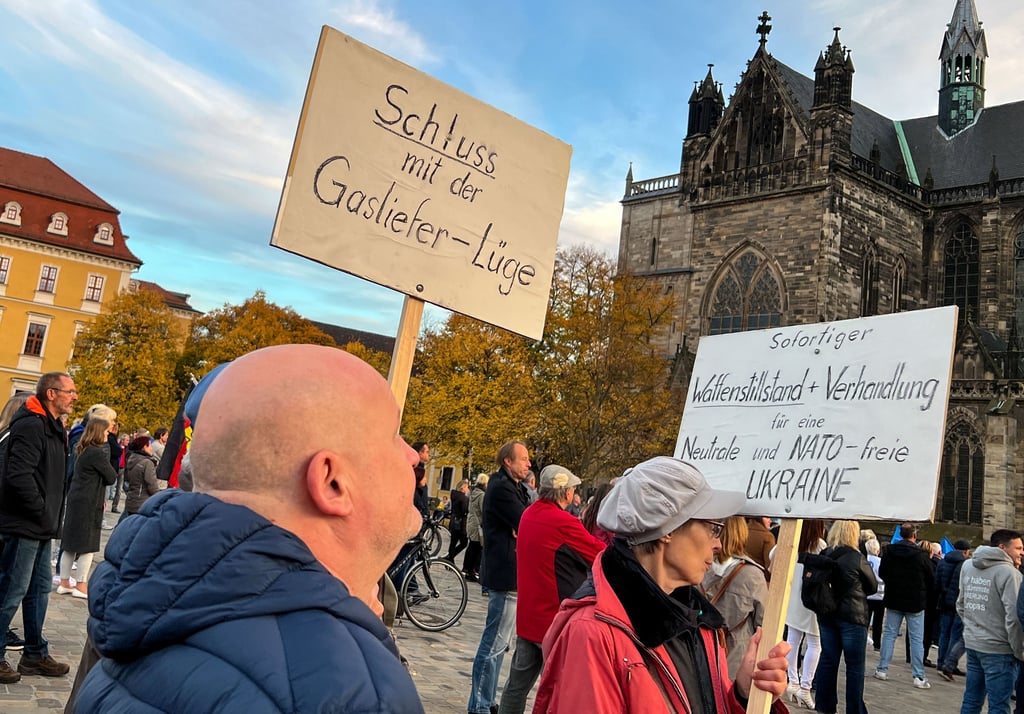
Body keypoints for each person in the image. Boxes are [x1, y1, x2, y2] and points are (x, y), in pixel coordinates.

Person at [72, 345, 426, 712]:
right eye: (393, 435)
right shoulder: (345, 691)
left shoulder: (142, 604)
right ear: (331, 482)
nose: (412, 455)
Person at [534, 456, 790, 713]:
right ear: (668, 529)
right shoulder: (592, 633)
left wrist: (742, 696)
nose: (719, 544)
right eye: (713, 528)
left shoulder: (696, 620)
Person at [497, 464, 604, 714]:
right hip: (554, 620)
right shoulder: (563, 522)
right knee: (557, 692)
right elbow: (600, 554)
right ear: (566, 492)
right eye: (573, 488)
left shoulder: (528, 514)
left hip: (528, 617)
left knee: (516, 687)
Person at [0, 372, 77, 683]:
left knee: (38, 590)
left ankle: (34, 653)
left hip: (41, 526)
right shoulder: (32, 425)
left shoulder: (53, 426)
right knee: (12, 590)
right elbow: (18, 476)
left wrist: (49, 518)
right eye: (69, 391)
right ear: (51, 393)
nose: (74, 397)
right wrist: (42, 512)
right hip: (25, 524)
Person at [467, 440, 532, 714]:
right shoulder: (502, 487)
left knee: (500, 644)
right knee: (493, 643)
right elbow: (526, 520)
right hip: (505, 572)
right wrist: (520, 528)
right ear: (508, 461)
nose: (529, 463)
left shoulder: (515, 487)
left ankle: (487, 701)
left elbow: (526, 518)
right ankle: (480, 705)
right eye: (524, 458)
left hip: (511, 572)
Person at [956, 529, 1024, 714]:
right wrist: (1019, 651)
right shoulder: (1010, 574)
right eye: (1018, 548)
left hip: (974, 643)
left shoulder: (968, 565)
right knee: (999, 706)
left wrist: (973, 628)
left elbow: (961, 604)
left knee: (971, 700)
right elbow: (1014, 618)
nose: (1022, 552)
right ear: (1003, 547)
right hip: (999, 649)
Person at [814, 519, 876, 714]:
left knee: (828, 659)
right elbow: (872, 586)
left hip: (827, 613)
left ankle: (824, 705)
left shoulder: (825, 554)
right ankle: (854, 709)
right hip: (852, 615)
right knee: (855, 666)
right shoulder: (856, 557)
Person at [56, 417, 117, 599]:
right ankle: (81, 585)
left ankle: (64, 582)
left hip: (77, 501)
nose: (108, 434)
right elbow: (111, 476)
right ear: (99, 432)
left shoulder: (82, 449)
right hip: (89, 503)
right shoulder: (96, 453)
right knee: (87, 546)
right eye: (106, 431)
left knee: (70, 545)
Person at [701, 515, 768, 678]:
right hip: (736, 659)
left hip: (700, 652)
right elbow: (763, 623)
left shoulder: (697, 567)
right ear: (742, 534)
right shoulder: (753, 575)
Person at [773, 518, 827, 709]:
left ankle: (793, 681)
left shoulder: (793, 541)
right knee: (815, 643)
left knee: (793, 639)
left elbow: (773, 554)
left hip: (793, 597)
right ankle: (805, 686)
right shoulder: (820, 545)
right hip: (811, 599)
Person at [874, 522, 935, 689]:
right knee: (916, 639)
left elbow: (882, 572)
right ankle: (918, 676)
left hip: (894, 598)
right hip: (915, 601)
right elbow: (931, 578)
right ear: (914, 535)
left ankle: (882, 669)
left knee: (889, 634)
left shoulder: (889, 551)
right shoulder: (921, 555)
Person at [937, 539, 971, 680]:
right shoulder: (964, 565)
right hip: (957, 602)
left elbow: (938, 582)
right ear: (965, 551)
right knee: (955, 635)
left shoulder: (943, 561)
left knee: (944, 633)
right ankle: (949, 662)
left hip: (945, 601)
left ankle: (941, 661)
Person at [120, 434, 161, 520]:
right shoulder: (147, 463)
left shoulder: (132, 458)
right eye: (149, 445)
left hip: (131, 499)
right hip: (142, 502)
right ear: (144, 447)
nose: (151, 448)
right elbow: (152, 485)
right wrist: (160, 498)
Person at [462, 473, 488, 582]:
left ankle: (466, 569)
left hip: (471, 522)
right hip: (478, 525)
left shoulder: (472, 493)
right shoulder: (482, 495)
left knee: (472, 546)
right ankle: (471, 570)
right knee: (476, 548)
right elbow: (483, 510)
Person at [865, 537, 885, 651]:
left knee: (865, 619)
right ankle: (877, 644)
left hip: (867, 595)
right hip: (879, 595)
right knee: (878, 621)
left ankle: (863, 638)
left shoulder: (864, 560)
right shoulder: (880, 562)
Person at [580, 481, 615, 546]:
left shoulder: (589, 512)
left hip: (591, 546)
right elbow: (613, 538)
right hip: (604, 548)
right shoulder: (606, 514)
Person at [445, 479, 470, 563]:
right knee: (464, 542)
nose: (468, 489)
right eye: (467, 487)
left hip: (454, 520)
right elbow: (465, 510)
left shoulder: (454, 495)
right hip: (461, 523)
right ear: (463, 488)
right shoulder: (463, 498)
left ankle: (450, 558)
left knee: (453, 542)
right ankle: (450, 557)